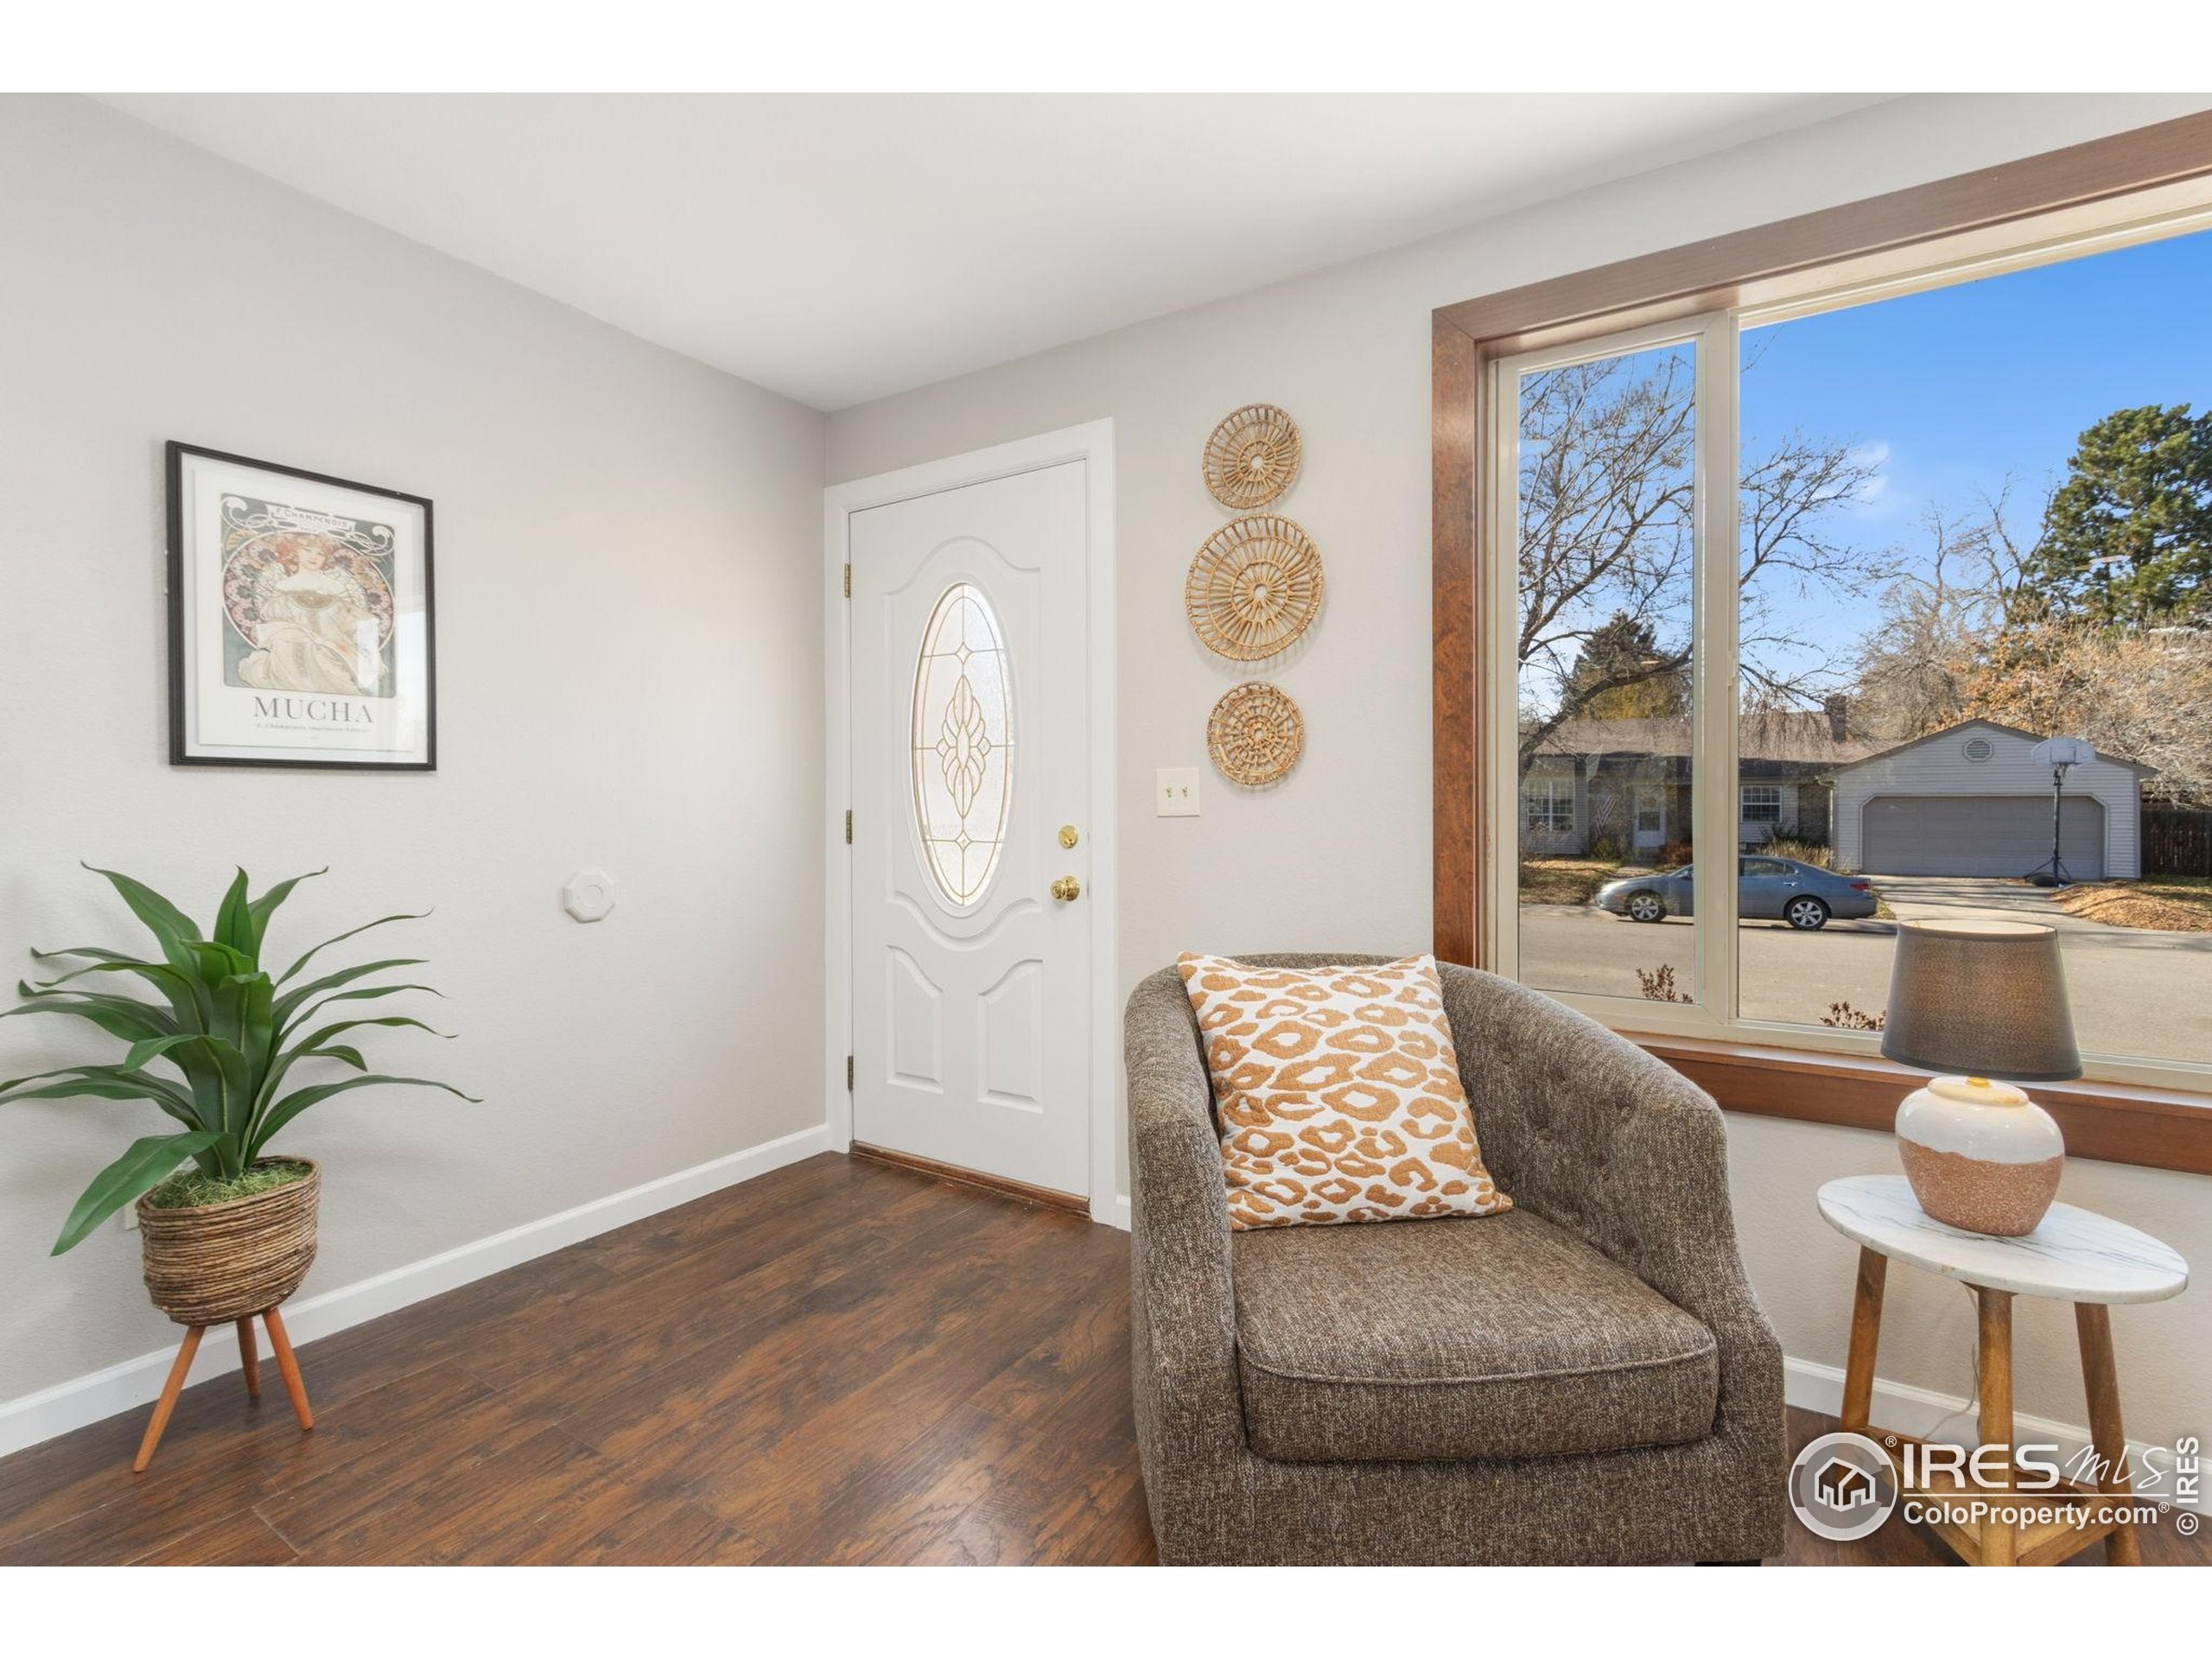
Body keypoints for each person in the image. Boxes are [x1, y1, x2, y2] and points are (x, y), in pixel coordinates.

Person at [236, 536, 381, 696]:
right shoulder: (284, 586)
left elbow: (351, 620)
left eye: (320, 553)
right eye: (307, 550)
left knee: (329, 661)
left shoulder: (335, 587)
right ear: (295, 553)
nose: (314, 557)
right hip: (291, 641)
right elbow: (272, 617)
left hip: (332, 643)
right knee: (285, 654)